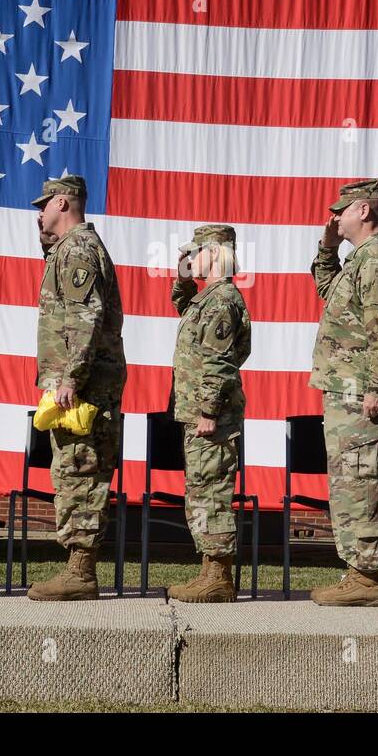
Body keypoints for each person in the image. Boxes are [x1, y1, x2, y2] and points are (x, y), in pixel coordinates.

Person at [308, 179, 378, 606]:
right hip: (345, 392)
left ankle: (367, 578)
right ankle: (356, 572)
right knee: (349, 482)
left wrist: (377, 387)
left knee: (365, 480)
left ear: (364, 211)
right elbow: (326, 291)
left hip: (361, 393)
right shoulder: (359, 259)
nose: (335, 217)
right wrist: (328, 249)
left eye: (342, 210)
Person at [27, 175, 127, 600]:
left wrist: (71, 377)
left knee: (82, 471)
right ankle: (77, 566)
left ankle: (81, 571)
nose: (39, 212)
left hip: (83, 387)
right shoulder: (67, 250)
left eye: (45, 204)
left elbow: (85, 317)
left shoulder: (80, 250)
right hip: (77, 384)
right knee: (71, 470)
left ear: (63, 202)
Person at [166, 225, 252, 603]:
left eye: (196, 252)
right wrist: (183, 278)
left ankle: (218, 575)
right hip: (202, 414)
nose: (191, 259)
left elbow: (218, 362)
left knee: (211, 491)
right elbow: (183, 308)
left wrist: (208, 411)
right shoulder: (209, 298)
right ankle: (209, 569)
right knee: (201, 489)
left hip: (211, 418)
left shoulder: (222, 300)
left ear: (215, 254)